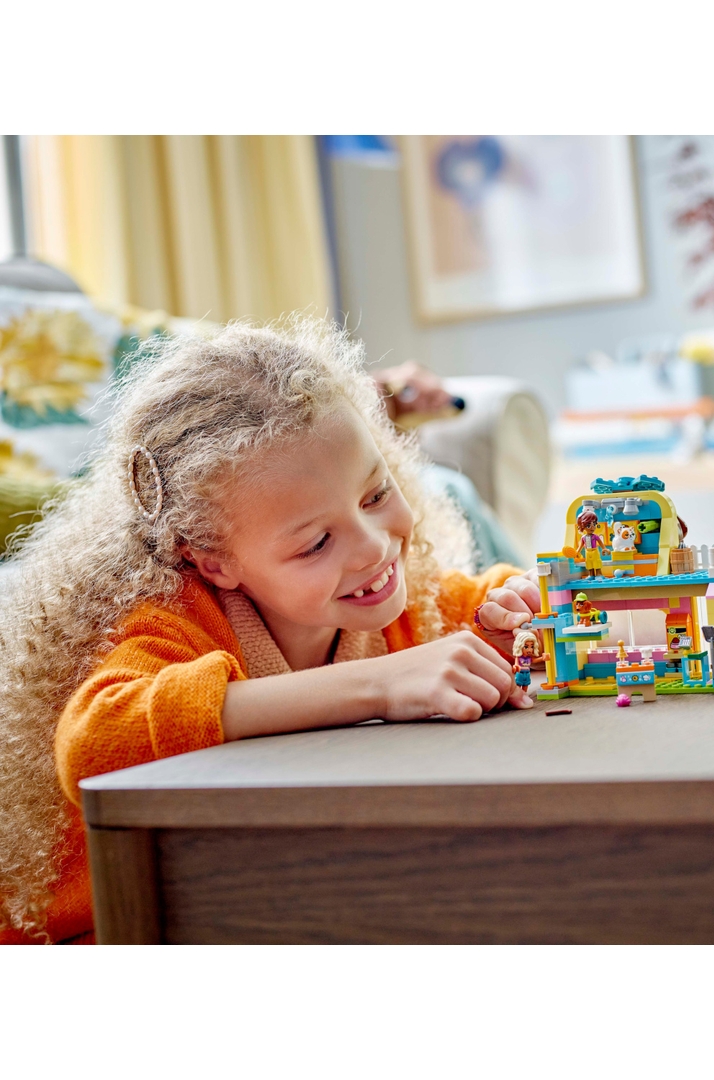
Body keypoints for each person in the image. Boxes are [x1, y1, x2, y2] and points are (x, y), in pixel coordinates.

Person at [0, 317, 543, 945]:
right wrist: (379, 685)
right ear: (213, 560)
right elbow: (94, 741)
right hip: (103, 932)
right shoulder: (175, 622)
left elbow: (475, 604)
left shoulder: (405, 603)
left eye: (374, 495)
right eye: (316, 543)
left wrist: (518, 608)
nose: (373, 548)